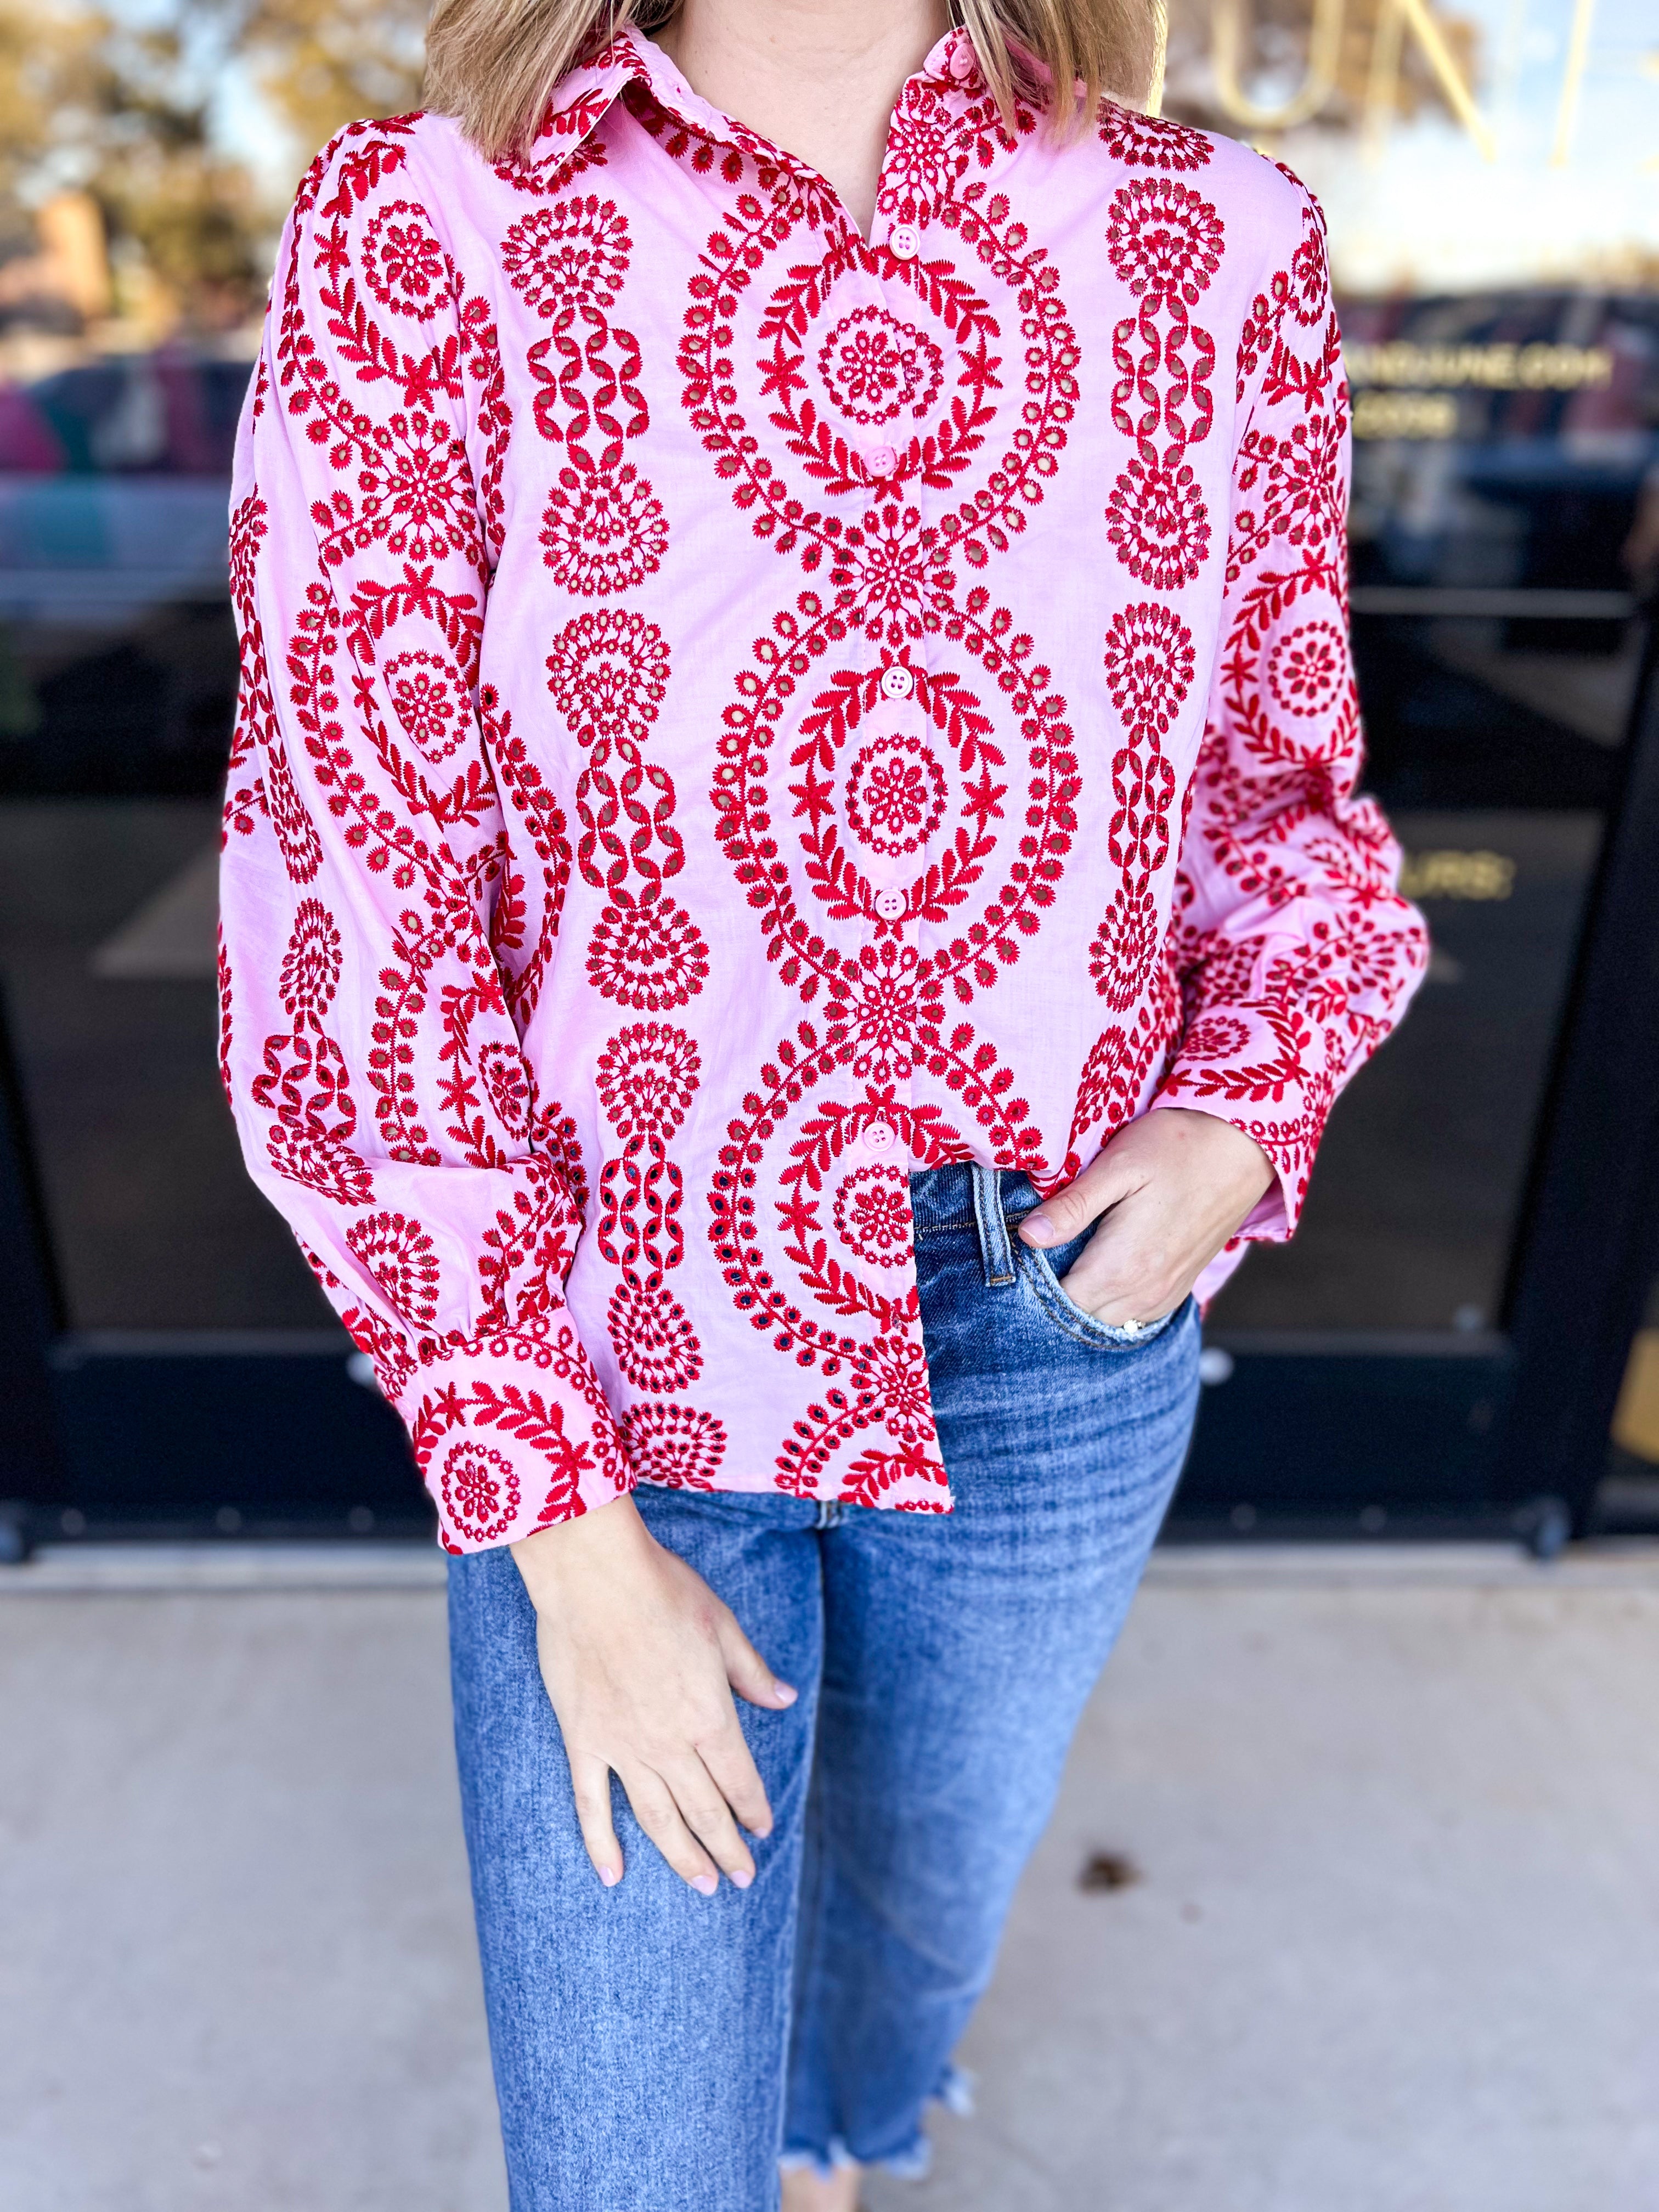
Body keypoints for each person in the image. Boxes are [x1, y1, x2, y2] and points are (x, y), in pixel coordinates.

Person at [217, 1, 1428, 2204]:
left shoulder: (1213, 240)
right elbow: (349, 908)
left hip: (1052, 1316)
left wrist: (1243, 1119)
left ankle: (848, 2134)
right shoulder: (425, 229)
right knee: (625, 2166)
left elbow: (1288, 803)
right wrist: (559, 1529)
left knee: (907, 1930)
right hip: (615, 1358)